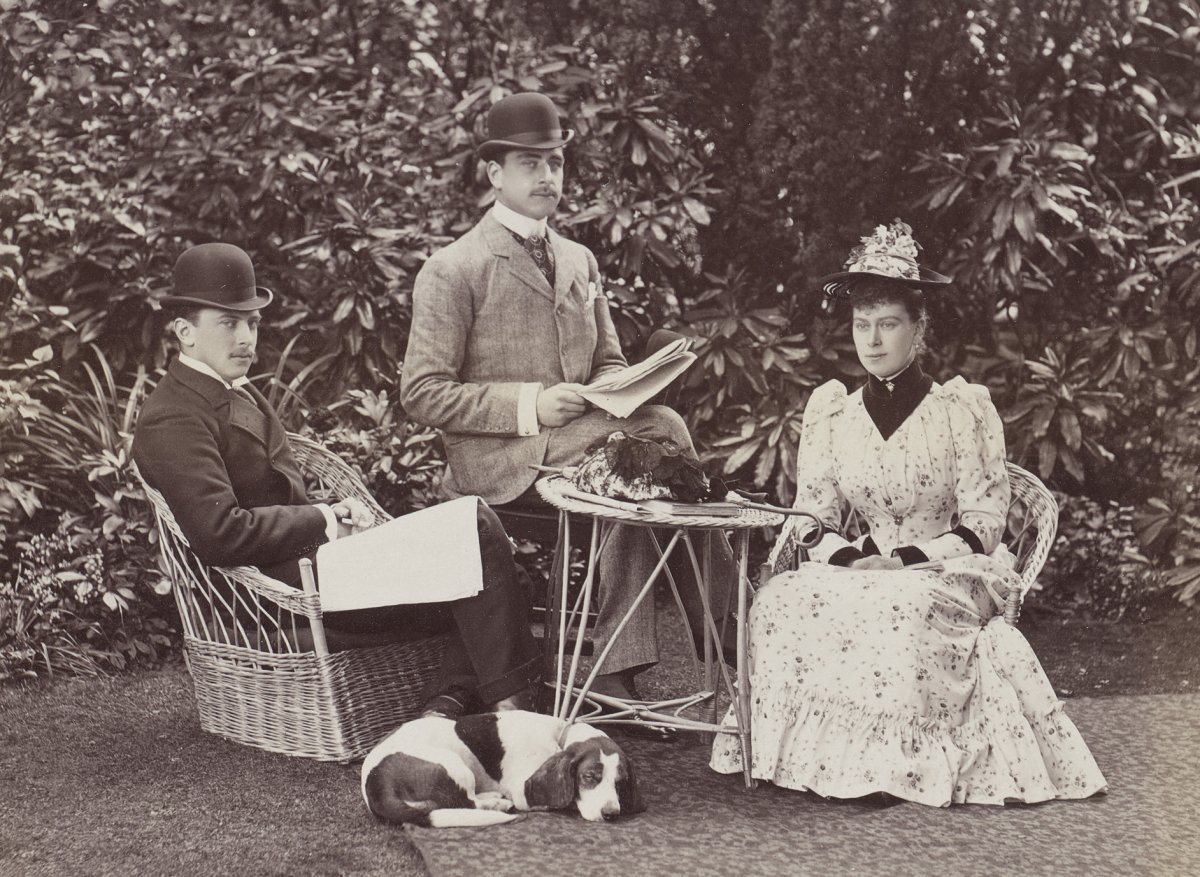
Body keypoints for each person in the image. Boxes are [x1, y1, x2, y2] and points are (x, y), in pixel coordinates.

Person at [710, 221, 1107, 805]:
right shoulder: (833, 413)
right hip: (865, 565)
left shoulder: (960, 409)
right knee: (783, 599)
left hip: (953, 566)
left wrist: (907, 562)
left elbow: (985, 523)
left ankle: (899, 766)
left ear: (919, 330)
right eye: (861, 325)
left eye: (889, 325)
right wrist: (854, 559)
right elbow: (812, 517)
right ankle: (797, 756)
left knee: (907, 603)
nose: (872, 341)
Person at [400, 92, 735, 732]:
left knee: (636, 463)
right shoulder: (454, 269)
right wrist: (531, 404)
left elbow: (606, 361)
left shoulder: (579, 259)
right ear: (495, 173)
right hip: (501, 462)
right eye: (531, 163)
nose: (548, 176)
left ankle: (617, 671)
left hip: (584, 444)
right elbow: (423, 392)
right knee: (660, 437)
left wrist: (619, 390)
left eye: (555, 161)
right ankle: (726, 637)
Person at [133, 242, 541, 718]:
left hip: (314, 567)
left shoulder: (234, 391)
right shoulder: (174, 415)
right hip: (271, 596)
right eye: (228, 322)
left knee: (497, 567)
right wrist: (322, 520)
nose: (246, 337)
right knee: (475, 530)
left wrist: (335, 518)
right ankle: (512, 714)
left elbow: (278, 495)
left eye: (252, 323)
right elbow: (219, 534)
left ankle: (446, 707)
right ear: (184, 331)